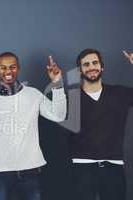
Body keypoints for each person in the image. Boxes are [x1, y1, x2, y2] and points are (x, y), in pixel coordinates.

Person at [0, 52, 67, 200]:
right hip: (0, 173)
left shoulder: (33, 95)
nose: (8, 71)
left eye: (12, 67)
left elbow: (59, 115)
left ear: (18, 68)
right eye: (3, 67)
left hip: (31, 171)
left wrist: (57, 83)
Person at [69, 48, 133, 200]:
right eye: (86, 64)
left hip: (114, 167)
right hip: (81, 167)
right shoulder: (70, 98)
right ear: (79, 70)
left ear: (102, 67)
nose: (91, 67)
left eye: (95, 62)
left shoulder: (121, 93)